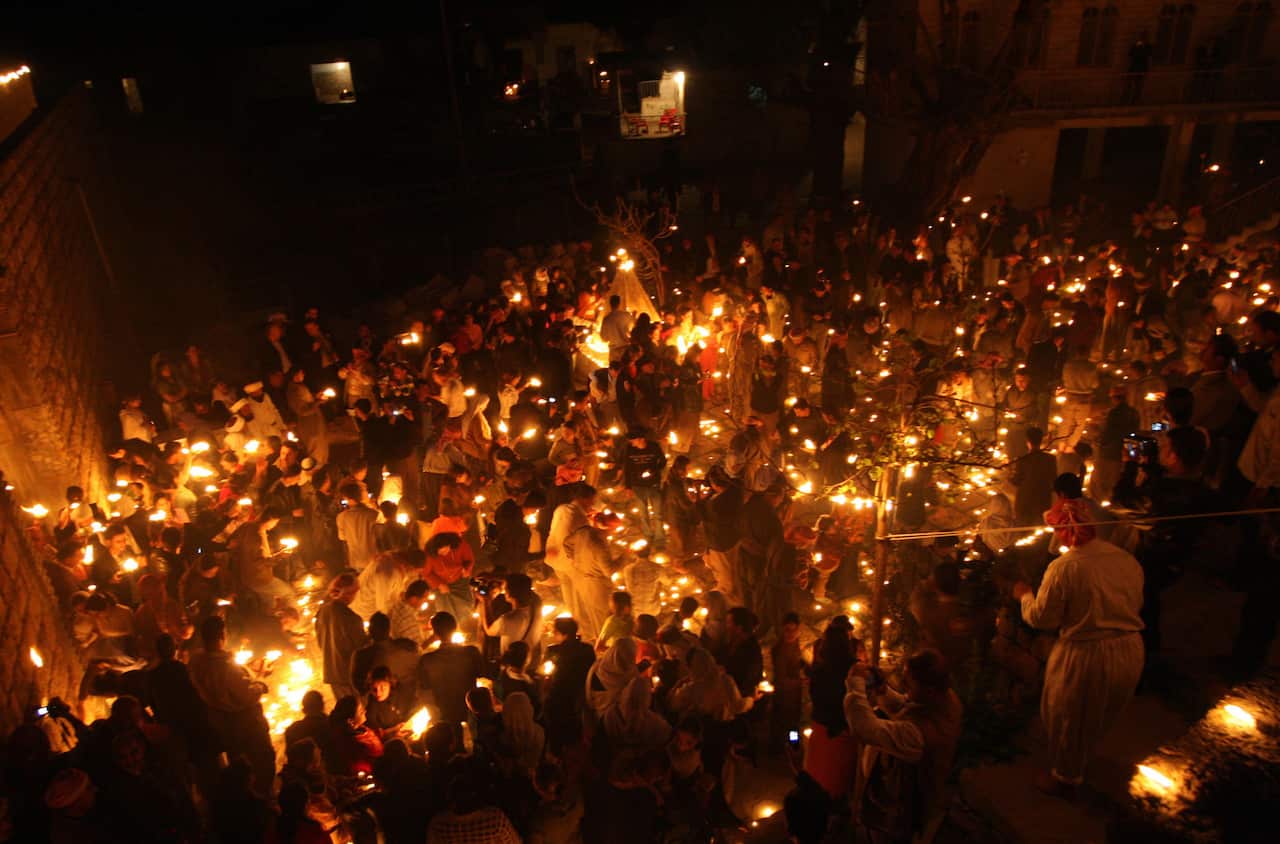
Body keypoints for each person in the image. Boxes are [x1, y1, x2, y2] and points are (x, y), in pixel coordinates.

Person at [1013, 473, 1144, 796]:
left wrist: (1024, 596)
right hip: (1129, 650)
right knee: (1100, 714)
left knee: (1068, 716)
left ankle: (1065, 779)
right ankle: (1080, 763)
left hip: (1086, 654)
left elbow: (1043, 618)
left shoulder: (1065, 567)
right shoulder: (1125, 559)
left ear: (1064, 531)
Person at [844, 648, 964, 841]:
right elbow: (908, 706)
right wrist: (883, 690)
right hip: (895, 804)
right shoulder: (944, 698)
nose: (904, 686)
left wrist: (855, 685)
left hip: (898, 816)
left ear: (929, 689)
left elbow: (864, 729)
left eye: (909, 683)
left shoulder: (921, 735)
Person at [186, 616, 276, 796]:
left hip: (220, 722)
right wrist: (261, 682)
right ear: (221, 635)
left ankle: (246, 795)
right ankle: (263, 799)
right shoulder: (225, 667)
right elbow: (246, 694)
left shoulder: (196, 661)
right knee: (261, 761)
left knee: (238, 761)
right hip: (244, 722)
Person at [417, 611, 486, 728]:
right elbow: (483, 674)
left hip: (444, 714)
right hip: (470, 710)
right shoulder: (471, 652)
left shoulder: (427, 660)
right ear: (456, 628)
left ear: (435, 634)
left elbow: (424, 689)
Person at [314, 573, 366, 701]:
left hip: (332, 672)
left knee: (344, 711)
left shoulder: (322, 611)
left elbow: (320, 641)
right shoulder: (351, 619)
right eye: (355, 592)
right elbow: (360, 649)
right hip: (349, 675)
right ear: (348, 593)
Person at [621, 427, 667, 548]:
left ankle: (660, 537)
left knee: (658, 514)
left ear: (641, 439)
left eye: (633, 440)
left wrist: (653, 470)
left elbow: (663, 461)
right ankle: (648, 534)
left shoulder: (654, 447)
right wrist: (628, 487)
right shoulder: (630, 449)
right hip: (637, 486)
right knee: (643, 513)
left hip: (653, 485)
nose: (631, 442)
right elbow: (627, 468)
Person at [1010, 426, 1059, 526]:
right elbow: (1054, 481)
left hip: (1025, 500)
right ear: (1041, 440)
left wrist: (1009, 475)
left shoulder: (1022, 459)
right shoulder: (1050, 459)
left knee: (1024, 529)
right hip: (1042, 499)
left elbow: (1017, 480)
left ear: (1027, 441)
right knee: (1040, 528)